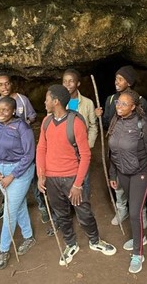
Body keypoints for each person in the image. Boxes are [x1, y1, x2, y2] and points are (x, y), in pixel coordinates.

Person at [36, 84, 116, 265]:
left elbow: (86, 155)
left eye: (47, 99)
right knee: (61, 214)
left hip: (72, 177)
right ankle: (71, 244)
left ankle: (95, 241)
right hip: (52, 179)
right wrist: (41, 175)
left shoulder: (76, 123)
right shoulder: (46, 122)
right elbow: (41, 148)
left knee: (84, 213)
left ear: (56, 102)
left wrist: (78, 184)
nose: (44, 102)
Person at [108, 88, 147, 273]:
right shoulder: (115, 121)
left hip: (140, 172)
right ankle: (141, 237)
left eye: (124, 103)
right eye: (118, 102)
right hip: (122, 172)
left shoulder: (142, 124)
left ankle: (138, 253)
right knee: (134, 208)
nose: (119, 106)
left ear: (133, 107)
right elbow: (113, 151)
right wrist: (112, 174)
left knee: (134, 212)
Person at [0, 72, 49, 224]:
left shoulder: (22, 100)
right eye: (0, 84)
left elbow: (33, 116)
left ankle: (42, 205)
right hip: (6, 147)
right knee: (4, 178)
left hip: (23, 143)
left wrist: (24, 124)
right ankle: (6, 204)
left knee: (32, 176)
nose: (5, 87)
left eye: (7, 83)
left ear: (12, 83)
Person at [95, 65, 147, 227]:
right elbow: (106, 123)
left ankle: (141, 212)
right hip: (116, 150)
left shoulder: (140, 101)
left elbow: (145, 126)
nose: (116, 82)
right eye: (116, 79)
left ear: (130, 82)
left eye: (120, 79)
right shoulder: (111, 100)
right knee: (118, 183)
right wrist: (100, 116)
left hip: (133, 150)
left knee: (136, 186)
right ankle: (122, 209)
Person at [0, 96, 36, 270]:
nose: (0, 113)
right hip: (1, 171)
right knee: (18, 205)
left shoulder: (22, 128)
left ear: (14, 111)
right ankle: (29, 236)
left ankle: (3, 250)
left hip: (20, 171)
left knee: (9, 210)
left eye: (5, 110)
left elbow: (29, 155)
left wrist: (12, 175)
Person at [62, 68, 98, 197]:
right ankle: (70, 202)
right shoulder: (59, 102)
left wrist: (88, 144)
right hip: (65, 148)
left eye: (71, 81)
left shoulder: (87, 103)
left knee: (84, 177)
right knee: (66, 176)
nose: (67, 84)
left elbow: (93, 126)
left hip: (82, 147)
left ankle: (84, 203)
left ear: (78, 84)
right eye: (65, 81)